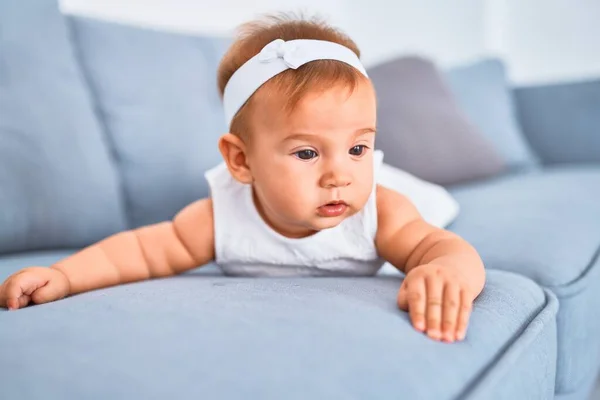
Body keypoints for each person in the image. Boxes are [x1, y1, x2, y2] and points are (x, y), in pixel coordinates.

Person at [0, 13, 485, 343]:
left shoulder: (382, 209)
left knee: (434, 204)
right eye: (307, 152)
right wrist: (63, 275)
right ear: (241, 161)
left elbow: (443, 249)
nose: (338, 174)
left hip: (417, 199)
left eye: (358, 147)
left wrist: (445, 271)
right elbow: (141, 251)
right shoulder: (220, 217)